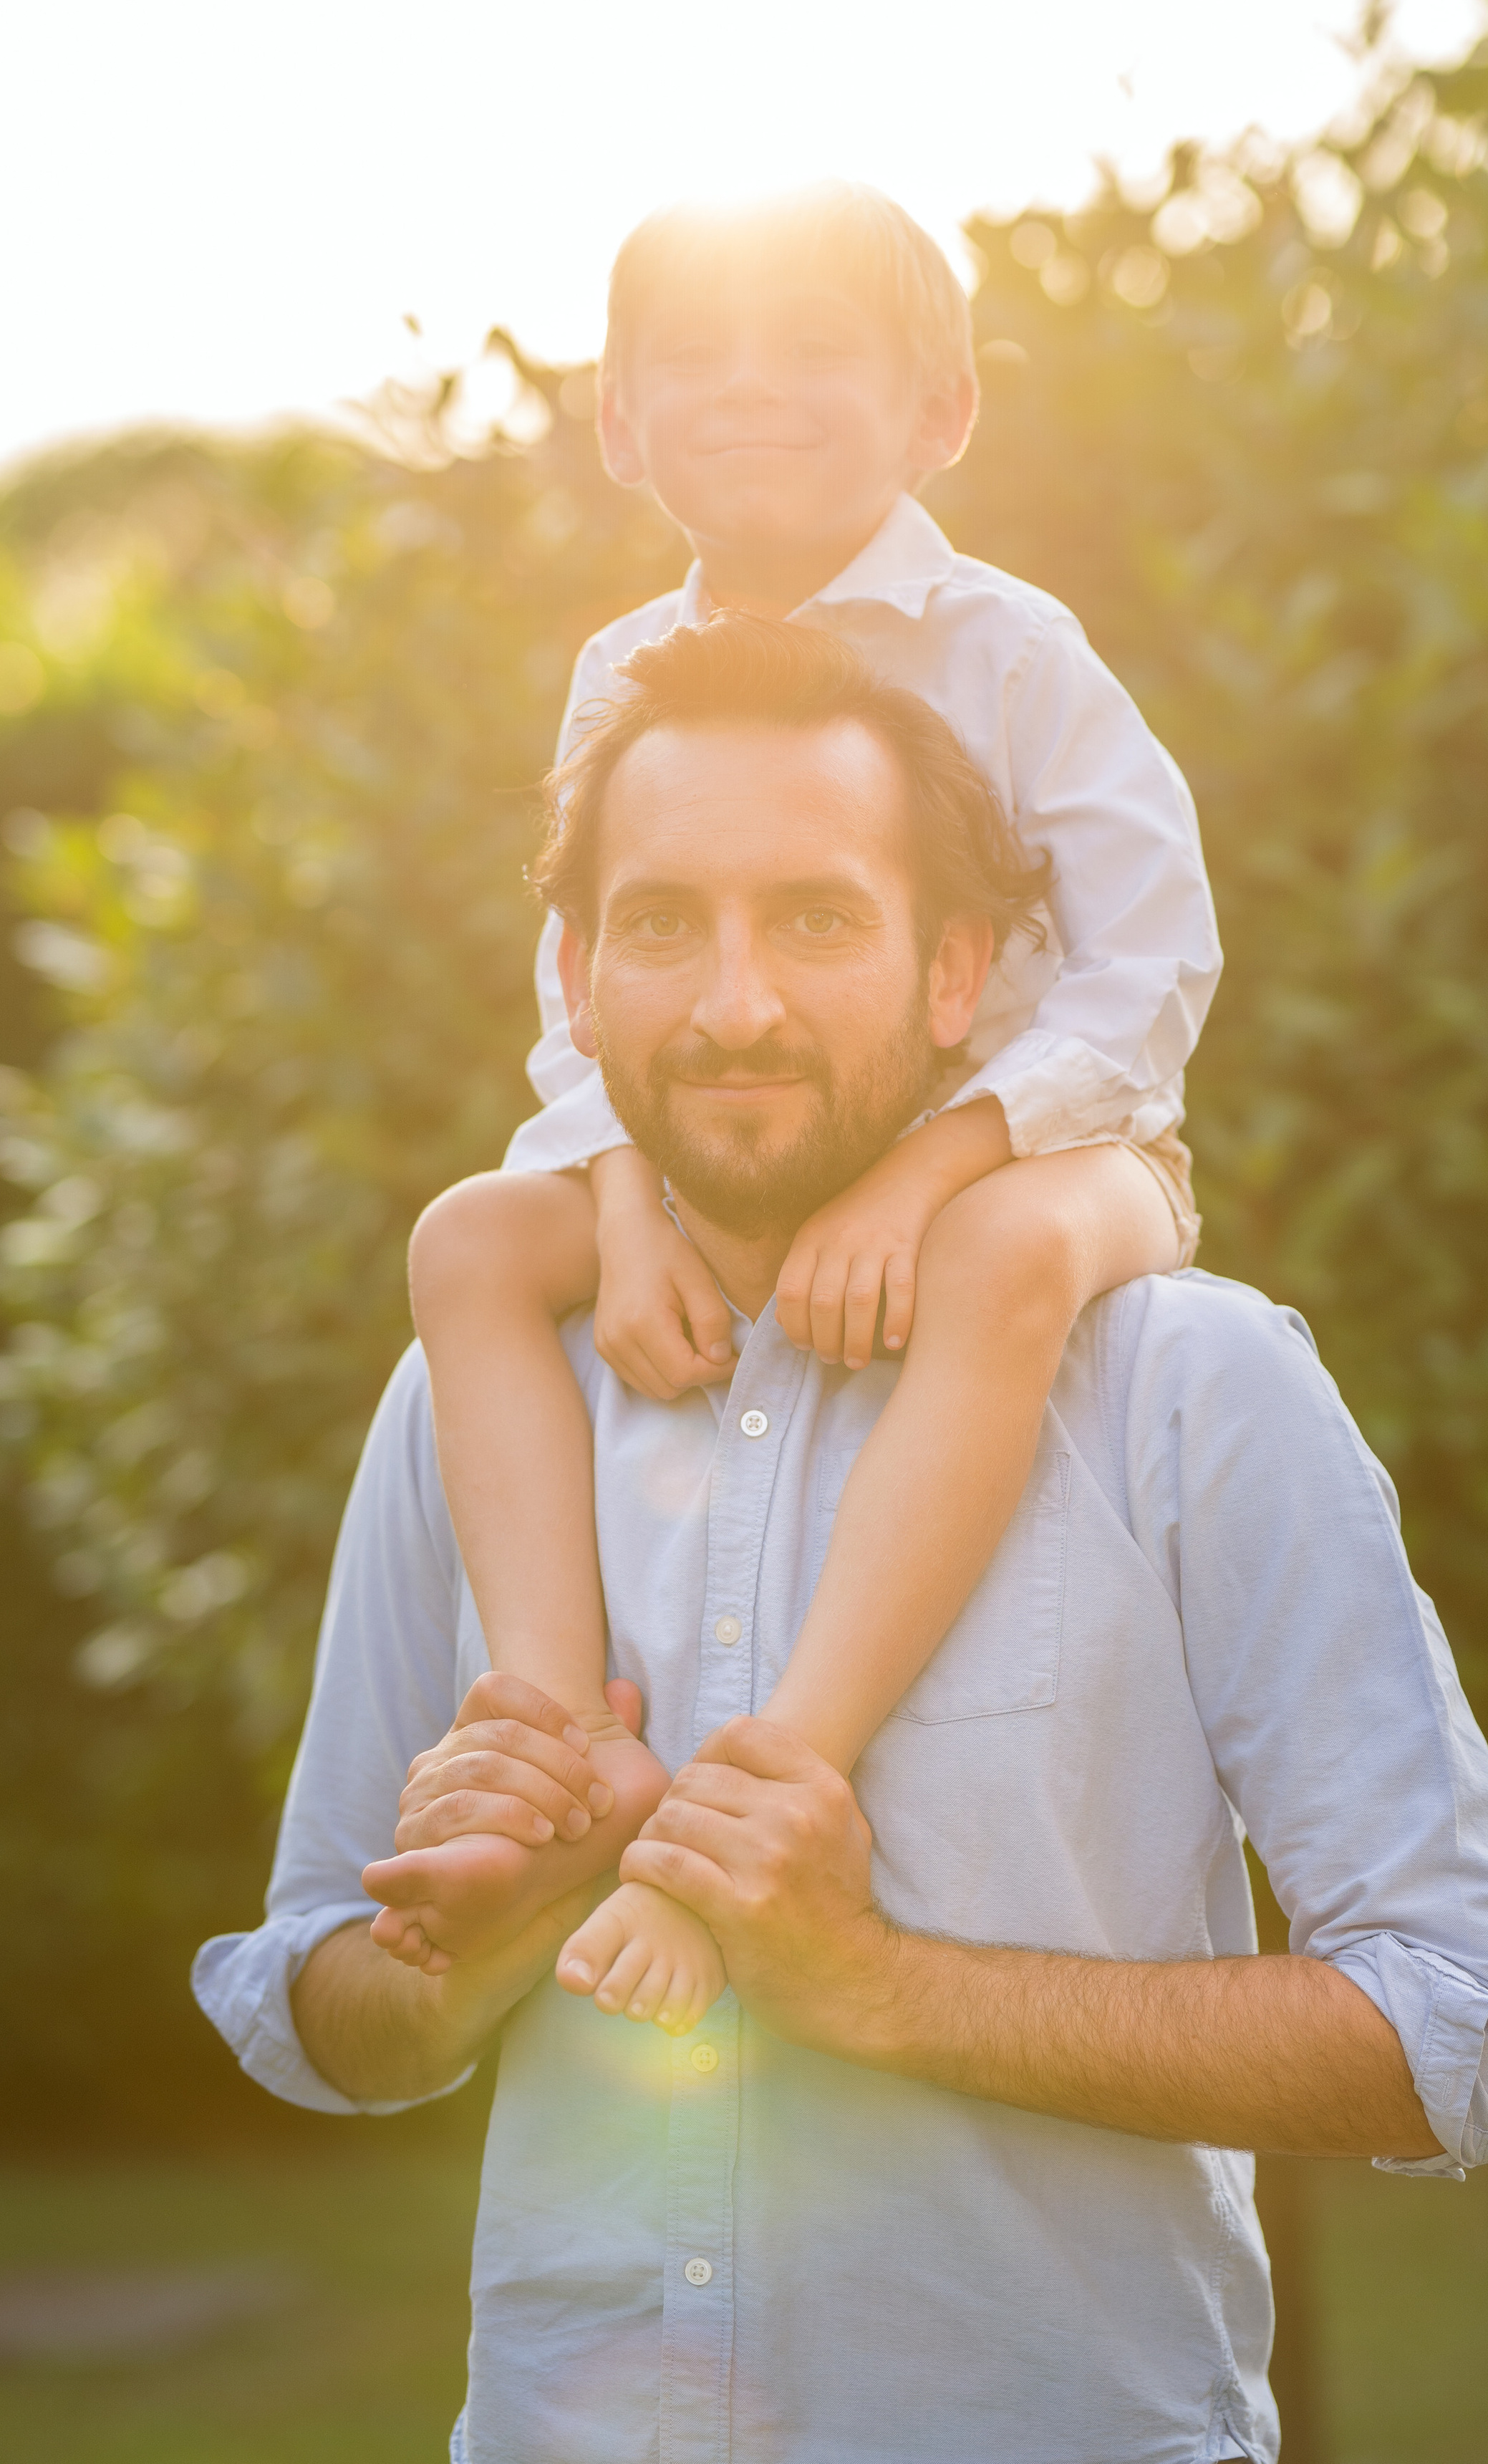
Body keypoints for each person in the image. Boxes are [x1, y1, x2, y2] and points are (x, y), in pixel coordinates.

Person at [195, 612, 1488, 2464]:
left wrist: (878, 1989)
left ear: (953, 974)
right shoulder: (469, 1404)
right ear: (578, 984)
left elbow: (1458, 2037)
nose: (734, 1003)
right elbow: (319, 2004)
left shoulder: (1186, 1389)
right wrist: (478, 1946)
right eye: (664, 925)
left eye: (817, 920)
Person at [395, 181, 1222, 2026]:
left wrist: (936, 1164)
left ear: (943, 414)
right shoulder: (622, 671)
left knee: (1008, 1256)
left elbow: (1152, 964)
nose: (749, 388)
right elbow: (583, 994)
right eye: (692, 356)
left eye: (816, 350)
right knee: (468, 1242)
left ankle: (784, 1764)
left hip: (1059, 1154)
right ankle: (550, 1733)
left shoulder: (1011, 648)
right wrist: (617, 1203)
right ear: (618, 420)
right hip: (730, 1163)